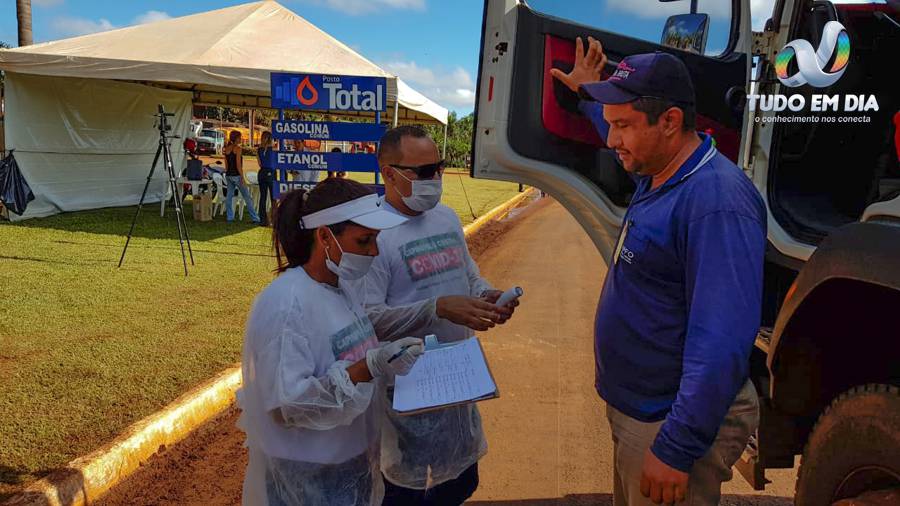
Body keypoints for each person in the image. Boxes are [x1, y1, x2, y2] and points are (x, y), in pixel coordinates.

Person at [552, 39, 766, 505]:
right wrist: (590, 95)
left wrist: (675, 448)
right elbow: (615, 129)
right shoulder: (660, 172)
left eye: (623, 126)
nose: (611, 141)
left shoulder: (716, 203)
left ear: (670, 121)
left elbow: (721, 343)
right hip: (639, 411)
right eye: (611, 125)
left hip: (667, 422)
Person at [355, 126, 519, 505]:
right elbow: (368, 319)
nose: (435, 179)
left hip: (457, 379)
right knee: (404, 493)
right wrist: (436, 307)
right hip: (407, 389)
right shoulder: (373, 236)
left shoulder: (444, 217)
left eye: (438, 168)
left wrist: (487, 295)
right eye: (423, 172)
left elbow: (469, 273)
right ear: (387, 173)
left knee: (459, 483)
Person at [238, 178, 426, 505]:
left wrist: (386, 362)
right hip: (308, 475)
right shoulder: (287, 305)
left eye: (376, 239)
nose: (375, 251)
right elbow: (287, 406)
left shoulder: (342, 286)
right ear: (324, 236)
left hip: (349, 462)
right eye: (365, 240)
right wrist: (367, 368)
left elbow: (347, 354)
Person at [223, 130, 261, 224]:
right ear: (236, 138)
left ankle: (230, 217)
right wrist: (242, 177)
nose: (241, 139)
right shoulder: (238, 149)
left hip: (229, 175)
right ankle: (255, 218)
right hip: (237, 175)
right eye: (239, 137)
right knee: (247, 197)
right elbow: (238, 165)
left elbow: (226, 165)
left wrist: (228, 173)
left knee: (229, 196)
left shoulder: (226, 149)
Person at [257, 131, 276, 226]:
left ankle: (263, 219)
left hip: (262, 173)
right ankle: (273, 218)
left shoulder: (259, 149)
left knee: (263, 197)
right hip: (271, 172)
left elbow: (259, 163)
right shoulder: (273, 149)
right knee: (273, 197)